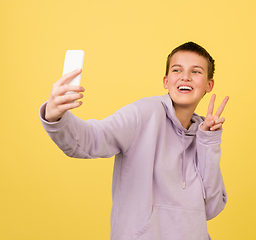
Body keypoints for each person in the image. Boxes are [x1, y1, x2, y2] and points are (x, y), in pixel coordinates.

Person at [39, 41, 229, 240]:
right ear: (166, 81)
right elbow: (91, 139)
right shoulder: (144, 113)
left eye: (196, 71)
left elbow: (211, 208)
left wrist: (209, 141)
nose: (185, 77)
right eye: (177, 69)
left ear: (209, 84)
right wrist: (56, 117)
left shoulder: (204, 135)